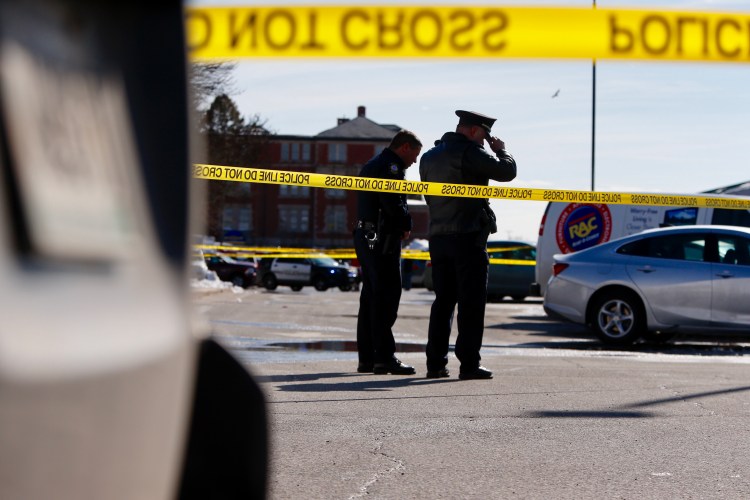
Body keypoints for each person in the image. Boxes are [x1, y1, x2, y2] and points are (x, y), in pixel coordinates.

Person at [419, 110, 517, 380]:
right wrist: (502, 151)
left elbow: (429, 197)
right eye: (485, 136)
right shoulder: (471, 152)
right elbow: (507, 172)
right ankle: (469, 364)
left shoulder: (428, 156)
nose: (486, 141)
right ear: (474, 130)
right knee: (471, 304)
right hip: (468, 238)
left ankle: (435, 364)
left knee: (443, 302)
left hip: (438, 237)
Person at [354, 130, 422, 375]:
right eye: (414, 155)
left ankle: (368, 358)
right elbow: (393, 201)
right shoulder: (390, 167)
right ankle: (383, 357)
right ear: (404, 147)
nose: (414, 161)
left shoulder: (373, 163)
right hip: (382, 237)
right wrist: (405, 224)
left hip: (366, 234)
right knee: (386, 296)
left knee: (371, 297)